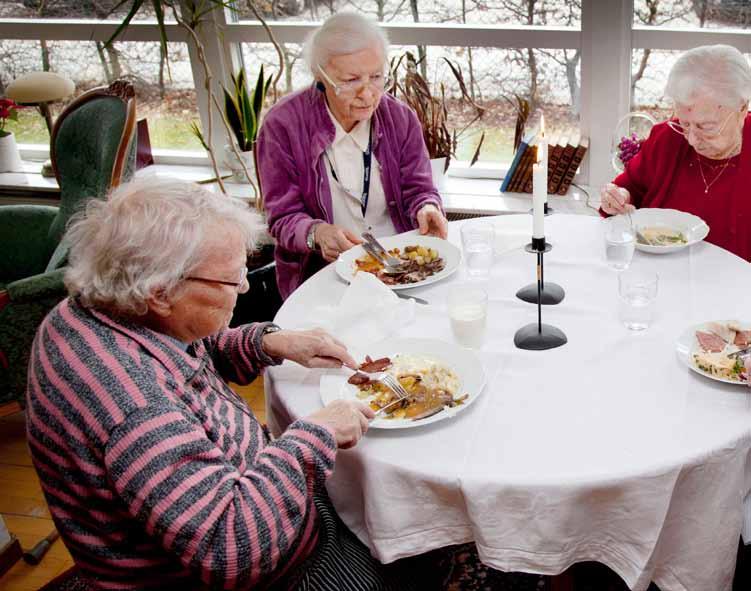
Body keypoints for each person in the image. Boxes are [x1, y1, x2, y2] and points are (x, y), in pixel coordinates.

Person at [24, 176, 431, 590]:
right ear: (161, 292)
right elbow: (233, 550)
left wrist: (267, 342)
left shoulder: (98, 308)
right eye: (232, 279)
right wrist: (315, 435)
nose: (246, 287)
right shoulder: (136, 408)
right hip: (254, 564)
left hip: (242, 492)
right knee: (407, 540)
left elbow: (185, 346)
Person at [256, 12, 449, 299]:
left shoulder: (400, 119)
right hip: (326, 276)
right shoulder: (282, 125)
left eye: (376, 77)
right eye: (351, 80)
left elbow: (419, 189)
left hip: (401, 267)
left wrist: (427, 207)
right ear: (320, 75)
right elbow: (282, 218)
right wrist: (316, 233)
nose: (368, 94)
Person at [600, 44, 751, 261]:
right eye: (684, 123)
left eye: (705, 126)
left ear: (742, 108)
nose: (691, 139)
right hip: (659, 277)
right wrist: (619, 197)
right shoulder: (667, 138)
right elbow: (630, 187)